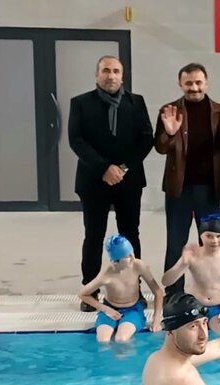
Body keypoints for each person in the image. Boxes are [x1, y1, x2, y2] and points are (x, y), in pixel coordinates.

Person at [69, 55, 154, 311]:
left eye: (116, 71)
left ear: (122, 76)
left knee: (131, 234)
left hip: (128, 181)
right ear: (97, 75)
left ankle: (133, 289)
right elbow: (76, 140)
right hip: (93, 180)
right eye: (106, 70)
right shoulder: (81, 103)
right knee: (93, 236)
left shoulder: (136, 102)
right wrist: (104, 168)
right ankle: (90, 291)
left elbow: (146, 139)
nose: (111, 75)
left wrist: (122, 168)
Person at [154, 63, 220, 294]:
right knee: (176, 242)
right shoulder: (169, 111)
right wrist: (170, 133)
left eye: (198, 82)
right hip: (179, 189)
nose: (194, 87)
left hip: (210, 190)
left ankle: (211, 290)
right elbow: (160, 147)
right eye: (188, 83)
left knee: (212, 244)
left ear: (206, 83)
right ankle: (174, 294)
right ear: (180, 84)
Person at [162, 214, 220, 336]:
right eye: (209, 236)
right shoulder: (192, 256)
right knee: (186, 338)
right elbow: (166, 281)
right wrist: (183, 263)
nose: (214, 241)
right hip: (193, 307)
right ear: (201, 236)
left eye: (218, 236)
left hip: (218, 309)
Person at [79, 234, 165, 343]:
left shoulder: (138, 266)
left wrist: (156, 320)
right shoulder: (106, 274)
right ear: (115, 261)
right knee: (103, 340)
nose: (132, 258)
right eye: (127, 256)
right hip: (110, 308)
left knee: (121, 339)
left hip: (133, 310)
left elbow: (158, 292)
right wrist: (105, 309)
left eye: (132, 253)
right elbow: (82, 294)